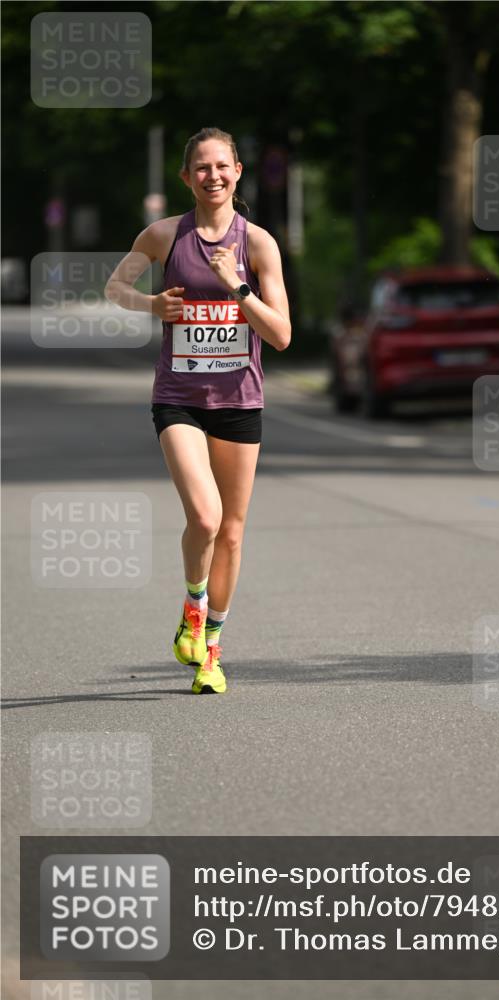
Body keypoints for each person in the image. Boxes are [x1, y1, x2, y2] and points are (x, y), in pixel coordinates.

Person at [106, 126, 291, 694]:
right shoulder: (164, 236)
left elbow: (281, 335)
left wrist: (238, 288)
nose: (213, 176)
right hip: (179, 398)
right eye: (202, 168)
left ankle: (210, 650)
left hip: (239, 400)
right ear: (186, 177)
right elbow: (115, 287)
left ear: (239, 173)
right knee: (206, 517)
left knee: (232, 534)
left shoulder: (258, 244)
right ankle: (192, 604)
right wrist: (150, 303)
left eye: (223, 166)